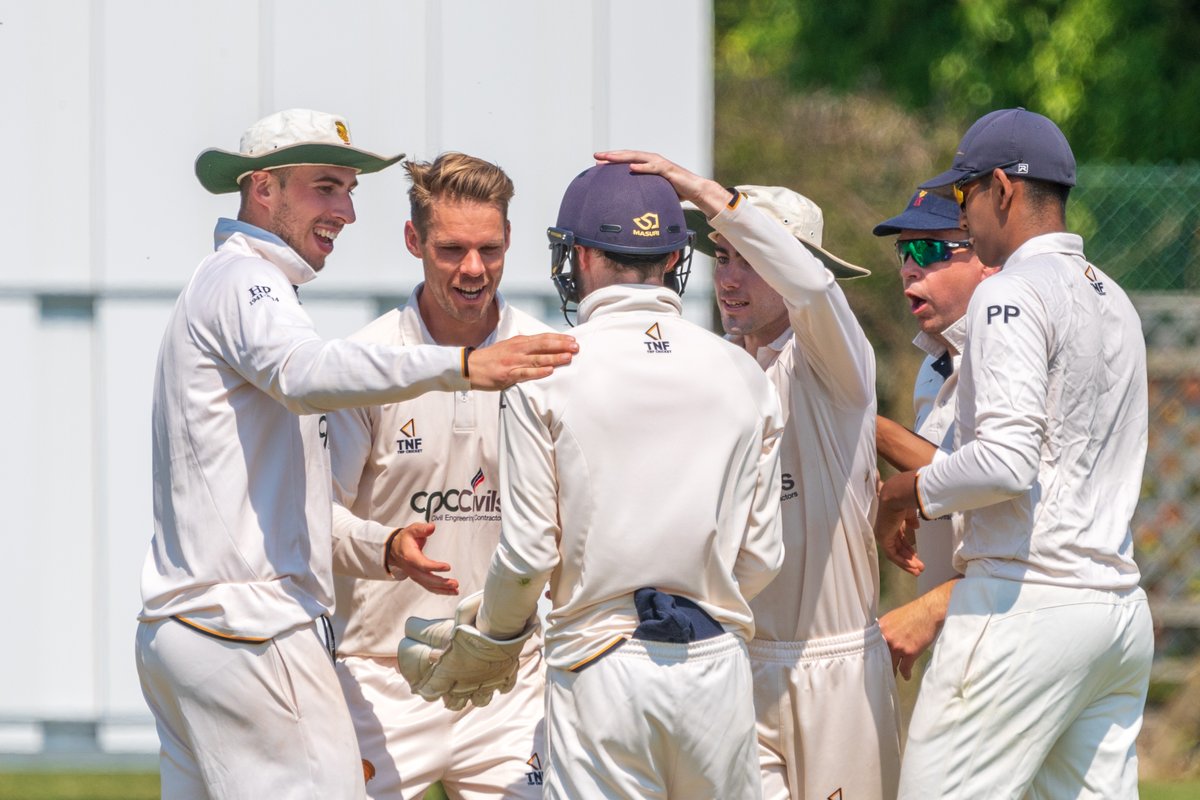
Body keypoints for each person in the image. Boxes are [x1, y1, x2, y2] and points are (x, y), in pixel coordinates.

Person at [134, 109, 577, 799]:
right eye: (324, 187)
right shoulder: (247, 283)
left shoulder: (240, 286)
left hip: (192, 630)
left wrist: (386, 548)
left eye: (348, 189)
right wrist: (463, 365)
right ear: (262, 189)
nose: (344, 209)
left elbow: (302, 497)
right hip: (254, 629)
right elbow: (306, 375)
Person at [399, 163, 785, 798]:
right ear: (673, 258)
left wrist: (494, 635)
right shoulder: (742, 374)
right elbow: (762, 556)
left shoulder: (547, 371)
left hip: (599, 665)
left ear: (577, 254)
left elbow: (528, 555)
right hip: (717, 667)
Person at [596, 151, 902, 800]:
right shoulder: (713, 371)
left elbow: (815, 292)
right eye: (723, 258)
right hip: (730, 662)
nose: (730, 279)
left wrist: (706, 193)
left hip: (833, 669)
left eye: (751, 258)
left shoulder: (836, 368)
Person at [874, 107, 1153, 798]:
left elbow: (1004, 463)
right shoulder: (1115, 298)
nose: (962, 219)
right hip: (1116, 613)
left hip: (1024, 607)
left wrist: (899, 492)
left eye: (965, 197)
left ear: (1001, 188)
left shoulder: (1007, 293)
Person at [327, 152, 551, 798]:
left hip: (510, 678)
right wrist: (390, 550)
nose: (473, 270)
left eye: (490, 249)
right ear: (412, 241)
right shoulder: (366, 362)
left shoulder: (549, 358)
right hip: (378, 678)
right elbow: (317, 519)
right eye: (451, 250)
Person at [870, 189, 998, 678]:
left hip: (1004, 623)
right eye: (904, 252)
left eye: (928, 250)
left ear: (986, 257)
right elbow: (949, 476)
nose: (909, 267)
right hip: (955, 629)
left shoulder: (1008, 354)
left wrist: (872, 432)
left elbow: (989, 481)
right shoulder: (932, 365)